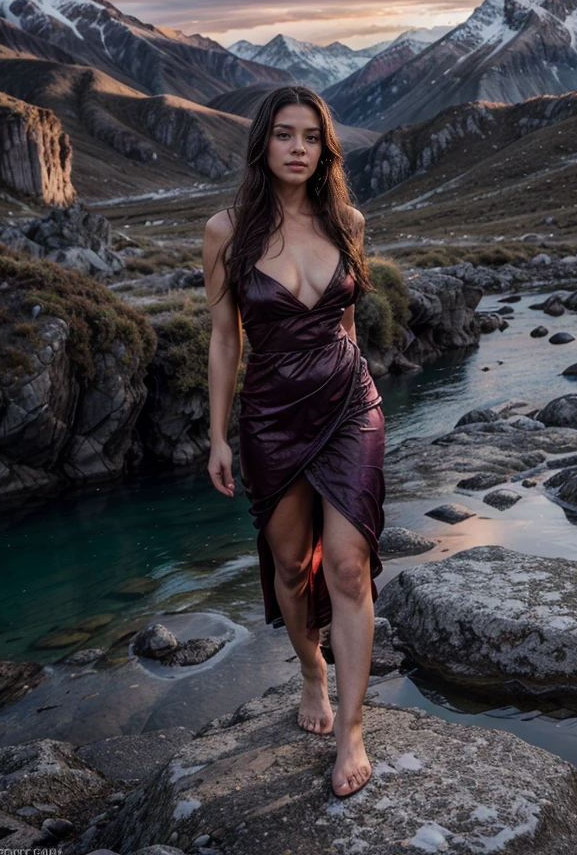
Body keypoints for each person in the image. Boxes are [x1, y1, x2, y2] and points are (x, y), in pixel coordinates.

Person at [201, 84, 386, 799]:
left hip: (348, 404)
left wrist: (363, 391)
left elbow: (348, 328)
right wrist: (218, 435)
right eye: (285, 134)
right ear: (263, 143)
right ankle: (312, 672)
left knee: (345, 564)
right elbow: (224, 339)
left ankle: (352, 731)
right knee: (290, 563)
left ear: (325, 148)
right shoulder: (226, 230)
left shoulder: (347, 221)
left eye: (311, 136)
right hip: (272, 414)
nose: (299, 148)